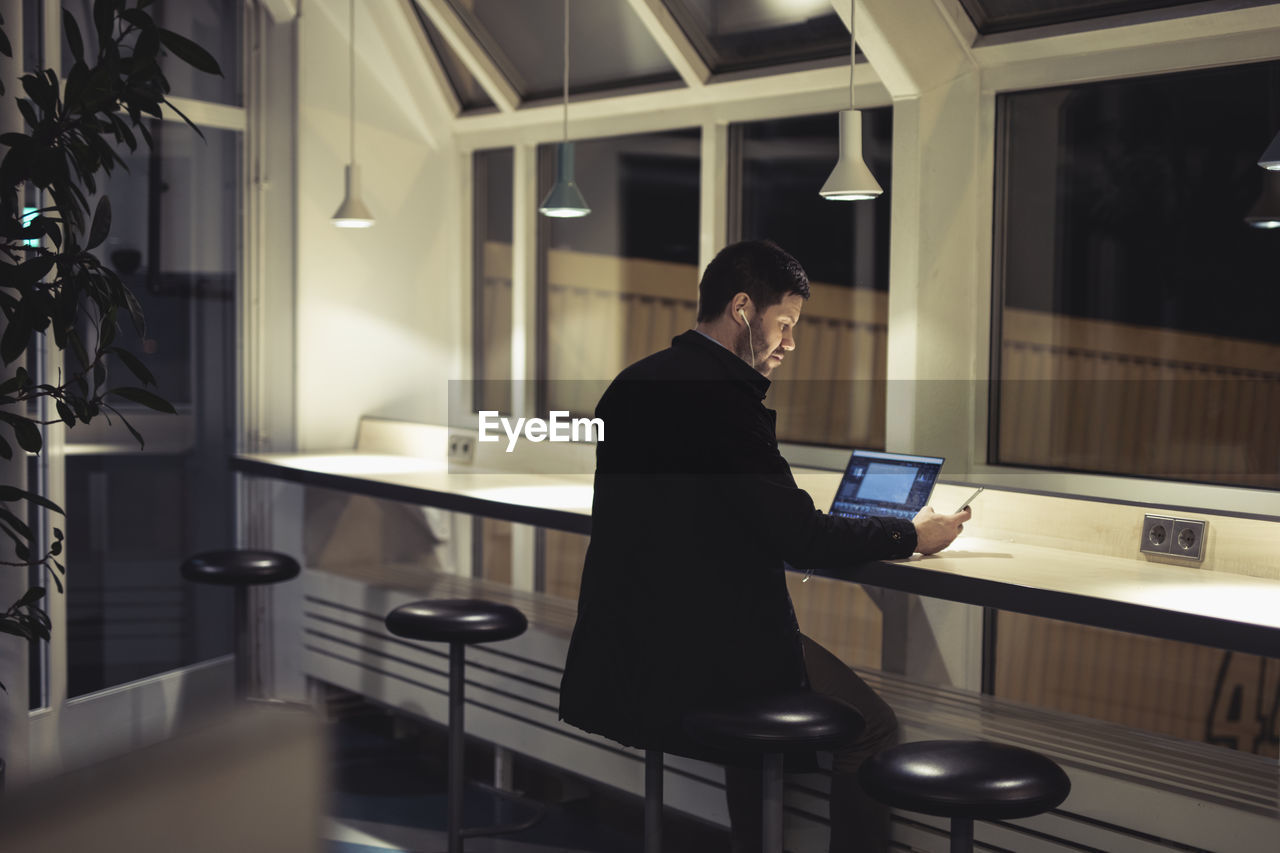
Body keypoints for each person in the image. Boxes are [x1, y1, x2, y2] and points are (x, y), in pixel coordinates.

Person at [558, 240, 969, 853]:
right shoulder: (724, 404)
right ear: (743, 309)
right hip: (704, 651)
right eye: (785, 324)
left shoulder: (632, 384)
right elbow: (799, 536)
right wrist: (911, 534)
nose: (790, 343)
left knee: (751, 714)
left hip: (631, 645)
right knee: (872, 728)